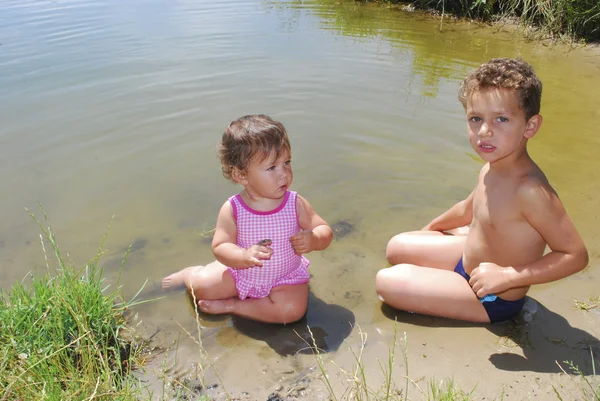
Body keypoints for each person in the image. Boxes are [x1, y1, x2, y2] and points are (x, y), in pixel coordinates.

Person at [375, 58, 589, 324]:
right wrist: (431, 228)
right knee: (396, 247)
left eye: (501, 119)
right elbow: (469, 207)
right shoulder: (492, 167)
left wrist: (508, 276)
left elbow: (575, 255)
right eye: (476, 119)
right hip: (467, 260)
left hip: (492, 294)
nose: (485, 132)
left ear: (530, 126)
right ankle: (461, 248)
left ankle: (464, 291)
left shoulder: (530, 190)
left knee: (387, 282)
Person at [162, 114, 333, 324]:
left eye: (287, 162)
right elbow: (221, 246)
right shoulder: (233, 208)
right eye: (272, 168)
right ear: (241, 175)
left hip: (286, 277)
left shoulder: (295, 203)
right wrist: (243, 256)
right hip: (240, 273)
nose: (284, 173)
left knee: (291, 311)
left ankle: (234, 306)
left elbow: (324, 229)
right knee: (202, 287)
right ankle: (190, 274)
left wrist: (314, 239)